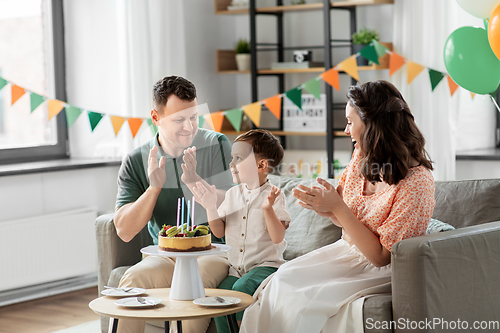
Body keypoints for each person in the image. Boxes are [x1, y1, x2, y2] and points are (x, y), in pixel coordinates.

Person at [239, 80, 436, 333]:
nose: (345, 130)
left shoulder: (417, 182)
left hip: (380, 270)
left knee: (301, 301)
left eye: (350, 122)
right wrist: (325, 207)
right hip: (346, 253)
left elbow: (381, 257)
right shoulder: (362, 157)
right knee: (281, 280)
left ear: (373, 124)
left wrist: (338, 208)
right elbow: (340, 218)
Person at [112, 76, 233, 333]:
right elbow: (124, 230)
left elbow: (236, 203)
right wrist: (154, 188)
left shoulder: (216, 144)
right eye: (179, 120)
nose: (189, 127)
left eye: (193, 117)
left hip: (213, 252)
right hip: (166, 255)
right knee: (133, 279)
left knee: (193, 285)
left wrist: (196, 182)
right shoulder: (136, 160)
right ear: (156, 117)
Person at [192, 129, 291, 333]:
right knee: (219, 295)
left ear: (261, 165)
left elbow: (278, 236)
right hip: (236, 270)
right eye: (232, 158)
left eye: (238, 158)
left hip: (266, 267)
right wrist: (210, 207)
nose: (231, 164)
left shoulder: (275, 197)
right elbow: (219, 232)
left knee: (241, 289)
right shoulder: (232, 195)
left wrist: (267, 209)